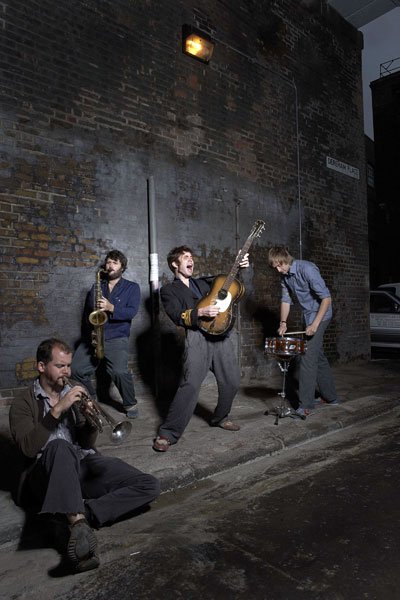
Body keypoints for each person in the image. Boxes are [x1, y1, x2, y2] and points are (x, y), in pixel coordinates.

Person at [9, 338, 160, 573]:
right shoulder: (22, 403)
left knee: (149, 485)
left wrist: (89, 421)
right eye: (60, 366)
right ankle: (76, 522)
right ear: (41, 366)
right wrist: (58, 410)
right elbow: (28, 448)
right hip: (46, 473)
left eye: (69, 366)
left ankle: (78, 516)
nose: (67, 372)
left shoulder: (74, 390)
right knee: (60, 446)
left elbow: (86, 443)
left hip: (81, 464)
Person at [153, 245, 249, 452]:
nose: (191, 260)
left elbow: (227, 283)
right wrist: (200, 312)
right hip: (197, 337)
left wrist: (239, 266)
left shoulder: (203, 282)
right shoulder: (169, 290)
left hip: (221, 336)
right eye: (185, 257)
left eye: (191, 257)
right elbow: (177, 316)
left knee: (232, 381)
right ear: (174, 264)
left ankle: (220, 417)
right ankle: (168, 433)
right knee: (190, 385)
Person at [268, 245, 338, 416]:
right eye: (275, 267)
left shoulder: (307, 269)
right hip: (308, 316)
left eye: (279, 266)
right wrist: (283, 322)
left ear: (286, 260)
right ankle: (331, 397)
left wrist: (315, 325)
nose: (278, 270)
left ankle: (305, 405)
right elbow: (286, 300)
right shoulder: (285, 277)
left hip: (322, 314)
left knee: (306, 355)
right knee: (318, 356)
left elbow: (326, 299)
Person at [71, 249, 140, 418]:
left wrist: (111, 308)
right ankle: (91, 396)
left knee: (119, 372)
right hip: (94, 335)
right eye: (108, 262)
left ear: (122, 267)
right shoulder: (97, 287)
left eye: (115, 262)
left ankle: (130, 403)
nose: (110, 265)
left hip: (117, 336)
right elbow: (88, 313)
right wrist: (92, 330)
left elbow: (131, 312)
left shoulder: (132, 287)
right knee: (75, 369)